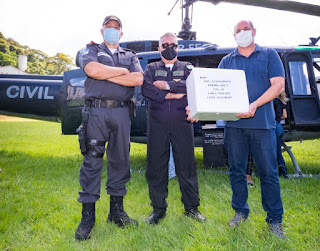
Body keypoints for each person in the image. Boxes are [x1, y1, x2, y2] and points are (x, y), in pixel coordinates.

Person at [75, 15, 144, 241]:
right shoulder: (92, 50)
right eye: (108, 27)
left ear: (121, 33)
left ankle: (116, 212)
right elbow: (93, 71)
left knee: (120, 160)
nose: (112, 30)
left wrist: (111, 73)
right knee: (92, 160)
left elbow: (137, 80)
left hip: (122, 113)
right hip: (96, 112)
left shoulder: (130, 56)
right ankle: (88, 217)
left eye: (116, 28)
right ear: (102, 31)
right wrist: (122, 72)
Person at [217, 20, 285, 238]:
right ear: (233, 35)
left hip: (263, 125)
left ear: (254, 32)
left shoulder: (269, 54)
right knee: (236, 170)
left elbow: (278, 85)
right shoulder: (227, 61)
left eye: (246, 30)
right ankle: (240, 212)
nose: (242, 33)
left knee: (268, 172)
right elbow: (215, 89)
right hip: (234, 126)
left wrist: (254, 105)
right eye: (238, 31)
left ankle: (274, 219)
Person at [142, 32, 206, 224]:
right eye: (165, 44)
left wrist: (167, 86)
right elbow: (147, 90)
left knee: (186, 165)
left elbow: (193, 87)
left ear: (178, 47)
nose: (169, 48)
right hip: (157, 124)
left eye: (173, 45)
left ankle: (192, 208)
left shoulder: (187, 67)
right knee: (156, 166)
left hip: (182, 123)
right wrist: (177, 93)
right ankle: (158, 209)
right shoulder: (151, 67)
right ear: (159, 47)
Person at [274, 92, 289, 178]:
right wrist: (278, 117)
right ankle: (283, 171)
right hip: (279, 127)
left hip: (273, 126)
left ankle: (277, 172)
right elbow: (284, 116)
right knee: (278, 151)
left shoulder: (272, 101)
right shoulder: (282, 101)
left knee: (273, 151)